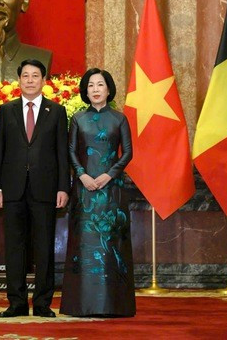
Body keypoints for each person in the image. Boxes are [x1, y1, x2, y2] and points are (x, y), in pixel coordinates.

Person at [0, 58, 69, 318]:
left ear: (44, 81)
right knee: (15, 247)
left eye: (36, 76)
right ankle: (17, 302)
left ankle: (43, 303)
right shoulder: (6, 110)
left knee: (44, 247)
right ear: (19, 80)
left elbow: (61, 153)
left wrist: (63, 187)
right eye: (26, 75)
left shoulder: (56, 112)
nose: (31, 80)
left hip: (45, 189)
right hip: (12, 189)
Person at [59, 68, 135, 317]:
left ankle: (115, 305)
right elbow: (70, 150)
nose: (95, 89)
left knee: (113, 242)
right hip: (84, 191)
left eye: (100, 85)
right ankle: (81, 304)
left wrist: (109, 174)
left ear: (109, 89)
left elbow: (127, 153)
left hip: (112, 190)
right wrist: (81, 174)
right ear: (85, 90)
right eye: (90, 85)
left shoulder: (119, 118)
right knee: (85, 244)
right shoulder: (78, 119)